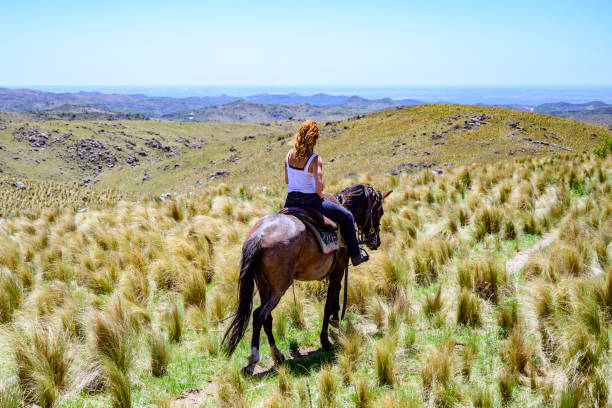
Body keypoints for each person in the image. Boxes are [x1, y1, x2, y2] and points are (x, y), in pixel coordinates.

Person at [284, 120, 369, 266]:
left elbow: (287, 180)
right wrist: (321, 193)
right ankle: (356, 256)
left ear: (298, 136)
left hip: (290, 201)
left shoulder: (289, 155)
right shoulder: (315, 159)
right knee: (348, 217)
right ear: (314, 139)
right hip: (310, 202)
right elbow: (318, 186)